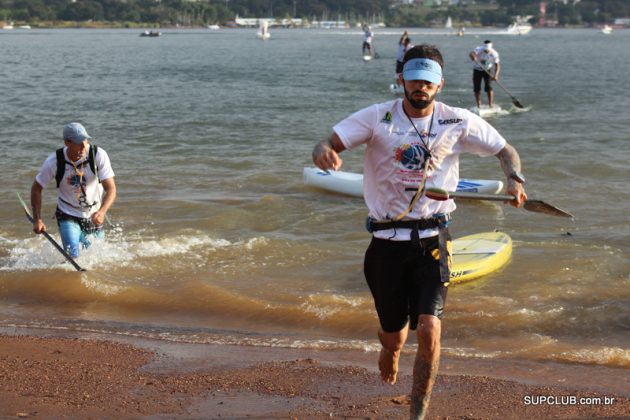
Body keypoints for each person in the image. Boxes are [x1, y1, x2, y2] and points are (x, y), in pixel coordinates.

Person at [312, 44, 527, 419]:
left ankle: (419, 411)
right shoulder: (377, 117)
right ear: (402, 80)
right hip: (385, 243)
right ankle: (391, 348)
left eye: (428, 82)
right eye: (414, 80)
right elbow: (327, 141)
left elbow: (505, 149)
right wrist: (322, 152)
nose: (420, 88)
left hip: (432, 239)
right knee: (395, 335)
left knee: (429, 329)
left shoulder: (457, 121)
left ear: (439, 84)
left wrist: (514, 177)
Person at [31, 122, 116, 258]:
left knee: (96, 258)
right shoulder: (54, 161)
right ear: (67, 142)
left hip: (94, 214)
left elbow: (111, 189)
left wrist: (102, 212)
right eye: (78, 143)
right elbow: (36, 188)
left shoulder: (98, 155)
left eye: (85, 140)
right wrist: (37, 219)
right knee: (73, 256)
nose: (83, 147)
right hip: (67, 213)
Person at [469, 39, 500, 108]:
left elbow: (497, 66)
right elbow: (471, 54)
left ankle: (490, 104)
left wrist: (496, 75)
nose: (486, 51)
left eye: (488, 50)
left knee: (488, 87)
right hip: (477, 70)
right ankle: (479, 105)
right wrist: (472, 57)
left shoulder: (494, 54)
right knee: (477, 88)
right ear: (483, 47)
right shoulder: (479, 49)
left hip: (488, 70)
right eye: (485, 49)